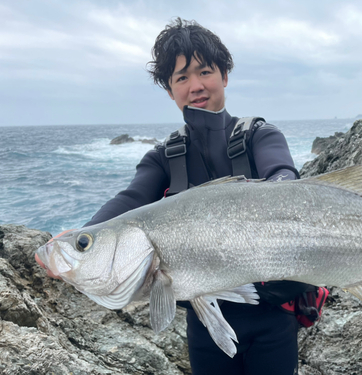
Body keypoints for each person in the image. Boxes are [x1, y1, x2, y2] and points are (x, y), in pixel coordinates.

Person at [38, 18, 310, 375]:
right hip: (203, 322)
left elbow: (283, 173)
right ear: (170, 90)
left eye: (205, 72)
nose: (196, 86)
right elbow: (132, 198)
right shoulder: (165, 156)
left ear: (225, 75)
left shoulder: (260, 135)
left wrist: (278, 192)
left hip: (273, 317)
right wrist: (81, 239)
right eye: (182, 78)